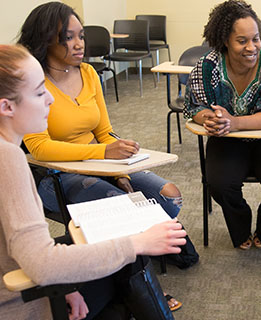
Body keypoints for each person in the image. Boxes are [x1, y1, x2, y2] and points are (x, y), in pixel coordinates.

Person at [0, 44, 187, 320]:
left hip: (26, 280)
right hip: (19, 304)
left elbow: (22, 250)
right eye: (40, 92)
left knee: (124, 264)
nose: (50, 99)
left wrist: (67, 284)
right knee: (129, 255)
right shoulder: (8, 159)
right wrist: (135, 243)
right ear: (6, 106)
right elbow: (41, 263)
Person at [19, 2, 183, 221]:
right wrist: (104, 153)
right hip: (55, 175)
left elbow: (104, 132)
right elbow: (39, 148)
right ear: (45, 39)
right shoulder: (31, 81)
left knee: (170, 199)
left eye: (82, 36)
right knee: (125, 210)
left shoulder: (88, 73)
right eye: (69, 38)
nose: (79, 45)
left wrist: (119, 173)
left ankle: (139, 247)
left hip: (98, 164)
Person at [184, 0, 261, 249]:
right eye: (242, 40)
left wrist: (234, 122)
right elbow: (194, 107)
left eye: (255, 39)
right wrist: (211, 118)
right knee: (220, 185)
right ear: (225, 40)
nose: (252, 47)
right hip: (227, 140)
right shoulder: (207, 65)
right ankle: (241, 227)